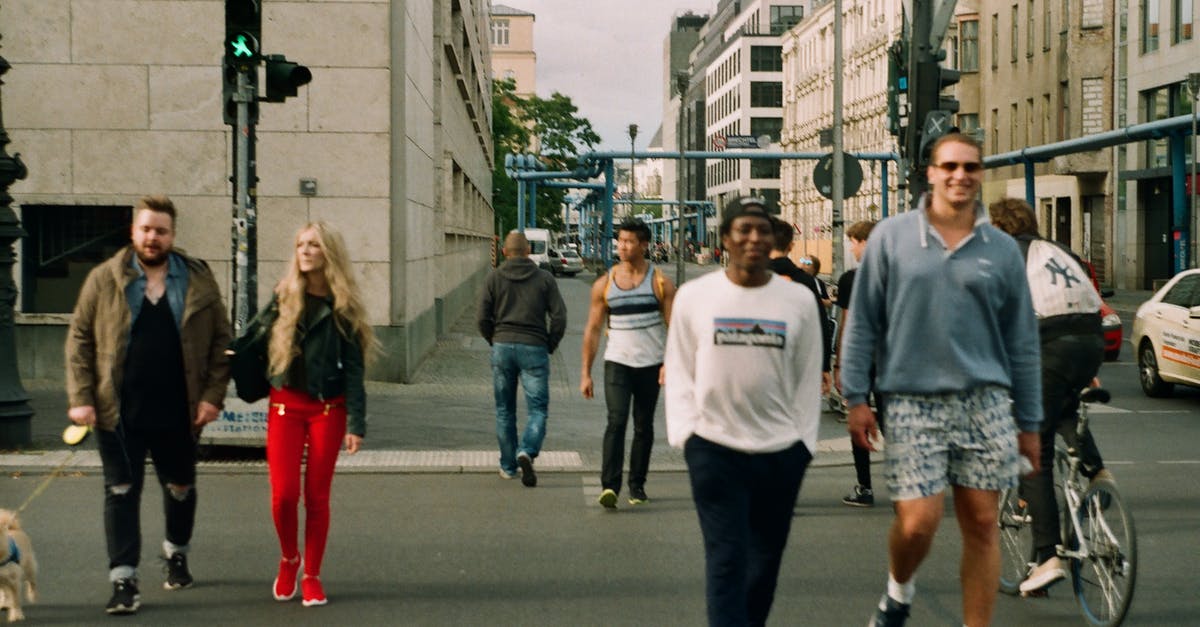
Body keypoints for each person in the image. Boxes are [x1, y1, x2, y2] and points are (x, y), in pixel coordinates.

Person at [840, 133, 1043, 627]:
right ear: (929, 173)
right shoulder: (891, 237)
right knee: (918, 524)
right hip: (911, 400)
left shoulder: (1001, 249)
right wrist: (855, 397)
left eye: (970, 167)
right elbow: (863, 320)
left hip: (986, 401)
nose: (960, 175)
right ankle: (898, 592)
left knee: (980, 525)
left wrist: (1030, 421)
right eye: (949, 166)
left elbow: (1022, 340)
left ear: (980, 174)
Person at [65, 195, 232, 615]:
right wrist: (81, 399)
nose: (152, 237)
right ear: (133, 231)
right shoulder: (105, 278)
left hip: (180, 410)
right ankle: (124, 580)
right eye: (145, 229)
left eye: (160, 230)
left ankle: (176, 551)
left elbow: (221, 344)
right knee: (120, 492)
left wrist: (212, 398)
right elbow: (80, 339)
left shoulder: (197, 280)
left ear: (172, 235)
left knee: (180, 488)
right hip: (116, 413)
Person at [665, 197, 827, 626]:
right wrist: (687, 436)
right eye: (744, 230)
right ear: (725, 240)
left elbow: (808, 378)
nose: (754, 238)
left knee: (764, 563)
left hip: (780, 452)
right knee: (726, 559)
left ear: (773, 239)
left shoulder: (797, 300)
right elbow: (679, 370)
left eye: (762, 230)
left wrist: (803, 445)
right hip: (714, 449)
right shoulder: (695, 296)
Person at [988, 197, 1113, 594]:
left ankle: (1046, 557)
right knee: (1059, 403)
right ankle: (1097, 471)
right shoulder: (1060, 251)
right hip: (1091, 338)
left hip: (1050, 342)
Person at [263, 222, 375, 607]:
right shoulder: (282, 297)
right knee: (283, 495)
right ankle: (288, 558)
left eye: (314, 245)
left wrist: (357, 423)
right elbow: (255, 343)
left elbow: (356, 369)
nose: (305, 250)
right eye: (300, 244)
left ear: (329, 253)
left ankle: (311, 573)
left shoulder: (344, 306)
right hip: (284, 406)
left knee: (316, 496)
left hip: (329, 409)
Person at [581, 219, 676, 508]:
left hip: (650, 364)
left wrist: (669, 364)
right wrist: (585, 372)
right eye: (620, 240)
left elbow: (675, 328)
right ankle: (610, 486)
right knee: (616, 420)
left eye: (629, 241)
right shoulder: (604, 284)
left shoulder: (661, 283)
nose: (622, 246)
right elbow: (593, 329)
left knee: (643, 426)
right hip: (617, 363)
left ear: (644, 245)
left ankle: (637, 486)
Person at [477, 230, 568, 487]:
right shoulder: (545, 279)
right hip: (534, 347)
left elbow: (481, 317)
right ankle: (526, 450)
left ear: (504, 252)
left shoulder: (493, 278)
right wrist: (550, 343)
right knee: (537, 409)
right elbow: (559, 317)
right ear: (528, 251)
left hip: (502, 346)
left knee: (504, 410)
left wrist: (493, 340)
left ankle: (508, 467)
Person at [834, 219, 877, 507]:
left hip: (862, 359)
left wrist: (839, 362)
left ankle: (865, 487)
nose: (852, 248)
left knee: (858, 421)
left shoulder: (852, 279)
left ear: (865, 243)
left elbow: (847, 322)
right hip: (895, 359)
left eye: (854, 242)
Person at [766, 215, 833, 375]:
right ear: (791, 246)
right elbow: (820, 324)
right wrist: (825, 367)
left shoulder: (751, 278)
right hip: (798, 363)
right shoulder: (805, 281)